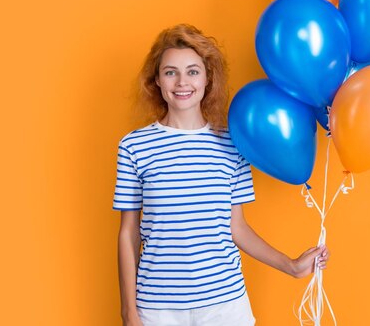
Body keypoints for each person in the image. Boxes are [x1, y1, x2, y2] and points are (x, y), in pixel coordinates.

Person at [113, 24, 329, 326]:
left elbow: (236, 228)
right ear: (157, 81)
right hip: (156, 308)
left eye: (192, 71)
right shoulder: (135, 146)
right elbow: (128, 233)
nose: (182, 82)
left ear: (207, 78)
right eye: (170, 72)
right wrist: (129, 313)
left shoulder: (232, 143)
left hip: (225, 306)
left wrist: (291, 265)